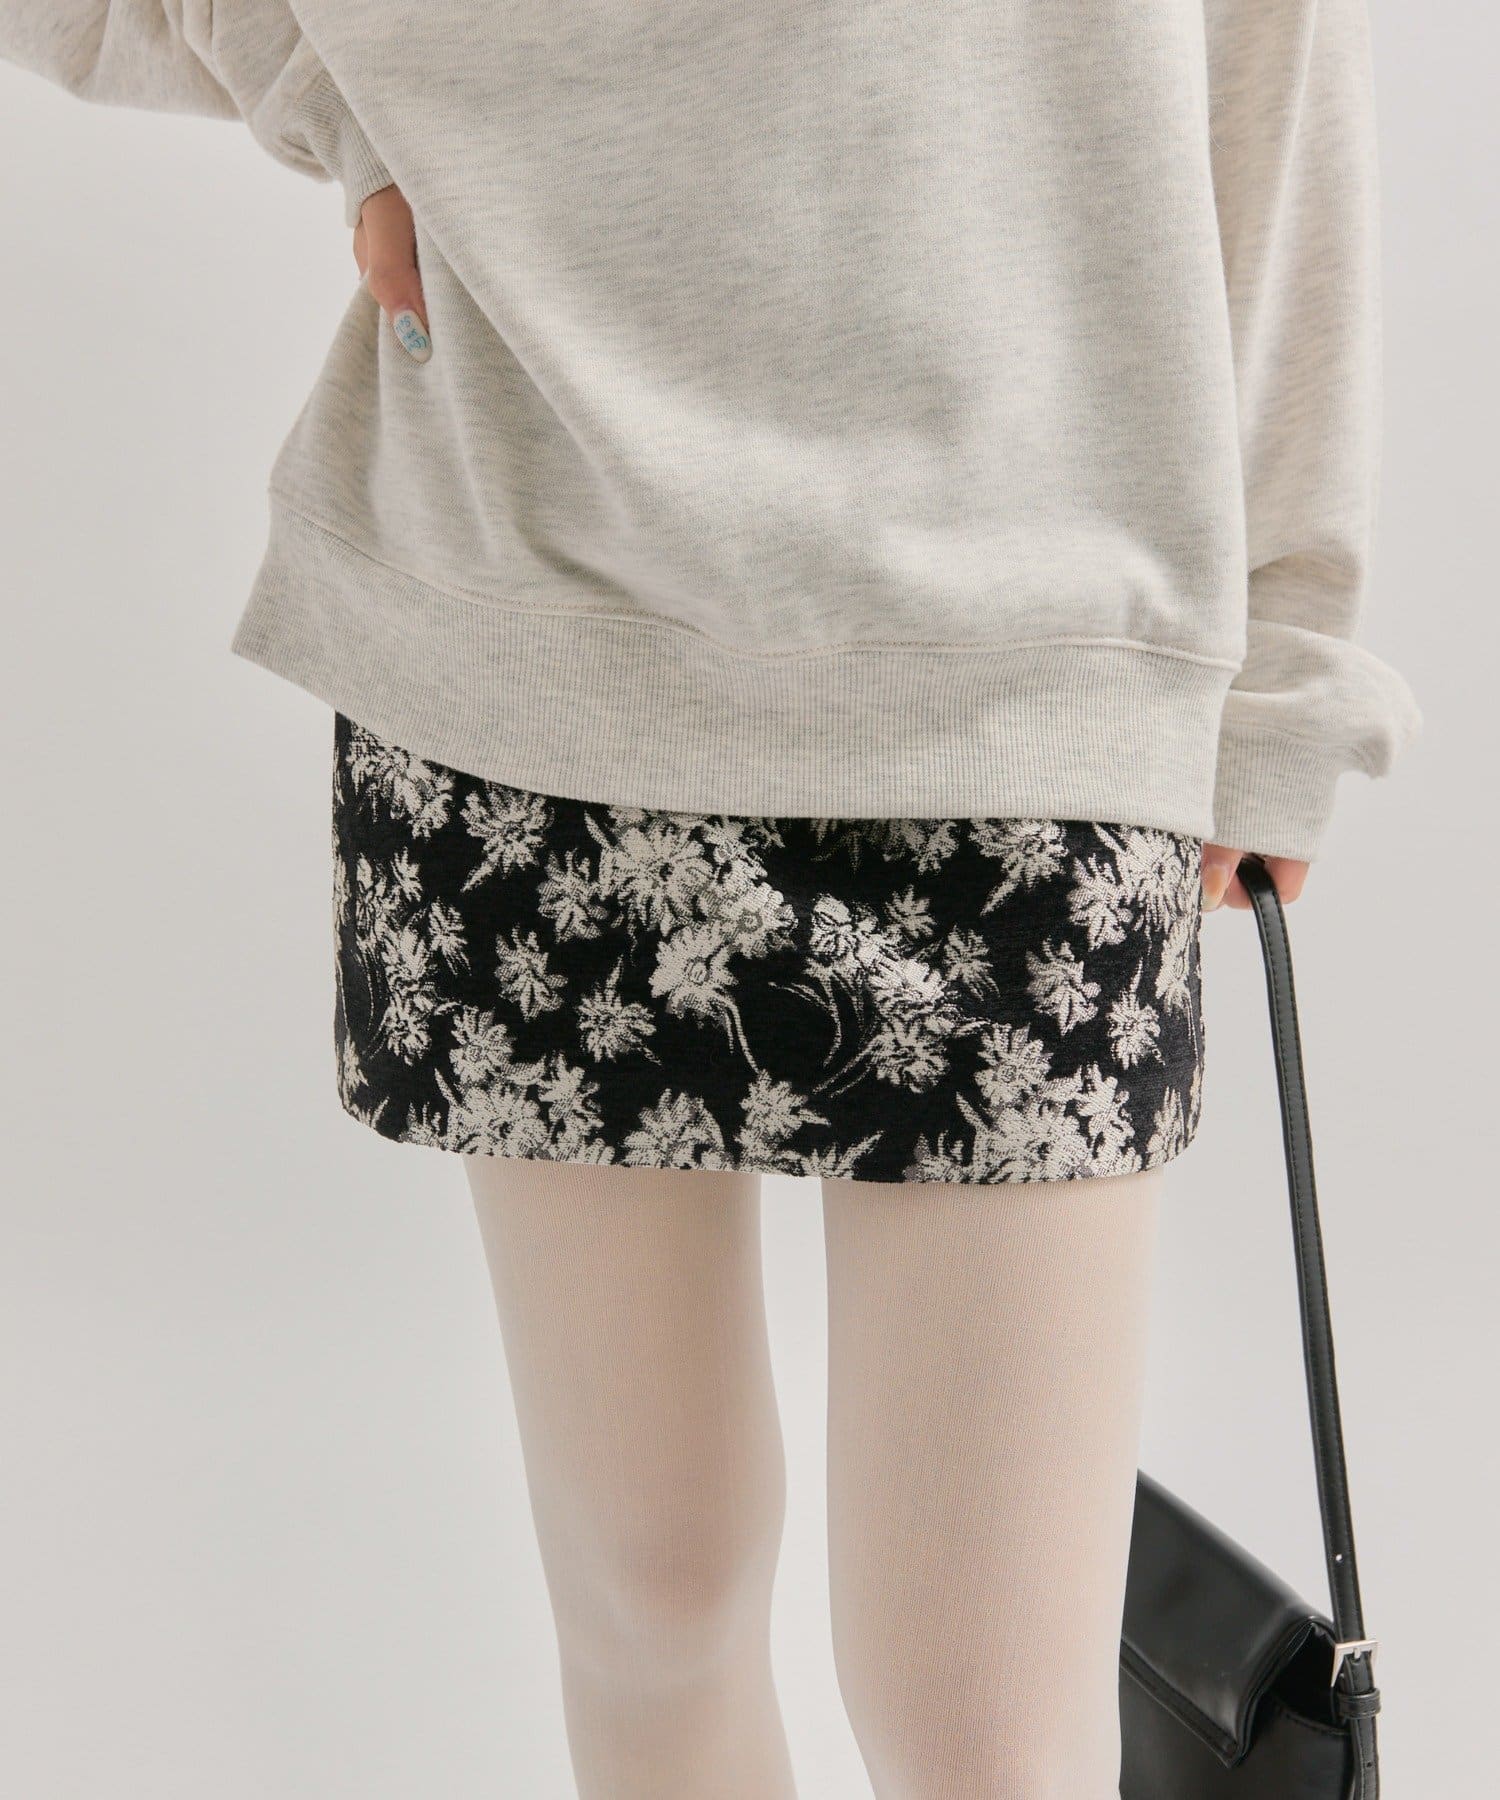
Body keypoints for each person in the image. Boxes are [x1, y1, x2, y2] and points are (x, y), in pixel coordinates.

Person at [1, 4, 1418, 1795]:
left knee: (983, 1714)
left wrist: (1292, 643)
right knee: (650, 1592)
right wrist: (336, 96)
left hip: (1037, 663)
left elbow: (1274, 57)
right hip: (537, 632)